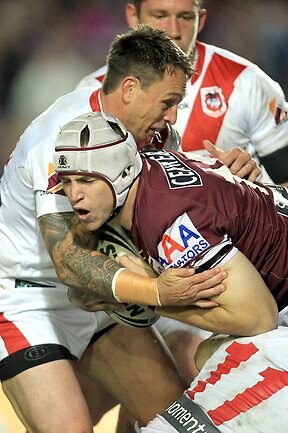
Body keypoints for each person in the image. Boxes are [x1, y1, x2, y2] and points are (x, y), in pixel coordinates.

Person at [0, 25, 231, 433]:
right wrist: (158, 291)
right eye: (168, 102)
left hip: (105, 299)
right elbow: (71, 262)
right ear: (129, 89)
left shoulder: (154, 135)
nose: (173, 116)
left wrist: (229, 178)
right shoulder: (58, 138)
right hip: (26, 300)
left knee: (179, 426)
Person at [54, 110, 288, 432]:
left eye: (87, 180)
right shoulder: (155, 165)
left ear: (122, 174)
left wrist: (152, 296)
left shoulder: (170, 224)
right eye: (67, 181)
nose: (74, 194)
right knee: (208, 352)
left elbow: (258, 317)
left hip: (273, 319)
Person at [77, 0, 288, 187]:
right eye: (160, 16)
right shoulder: (95, 92)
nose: (173, 30)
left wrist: (252, 189)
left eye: (185, 17)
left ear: (201, 19)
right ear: (133, 16)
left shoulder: (246, 82)